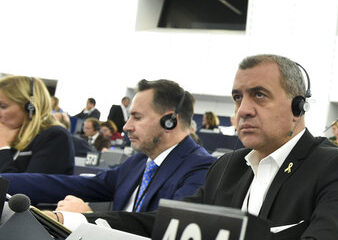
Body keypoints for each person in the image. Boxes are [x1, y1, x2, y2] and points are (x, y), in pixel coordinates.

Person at [73, 55, 338, 240]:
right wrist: (83, 224)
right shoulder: (227, 165)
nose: (243, 111)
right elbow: (172, 223)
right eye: (238, 98)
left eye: (259, 96)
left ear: (297, 107)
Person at [6, 79, 216, 217]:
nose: (126, 126)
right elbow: (74, 185)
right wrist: (4, 183)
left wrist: (89, 218)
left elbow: (161, 224)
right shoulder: (139, 163)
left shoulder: (202, 168)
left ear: (170, 121)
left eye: (137, 117)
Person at [0, 76, 74, 174]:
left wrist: (3, 147)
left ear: (30, 107)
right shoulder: (9, 134)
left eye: (2, 106)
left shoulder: (55, 136)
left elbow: (25, 187)